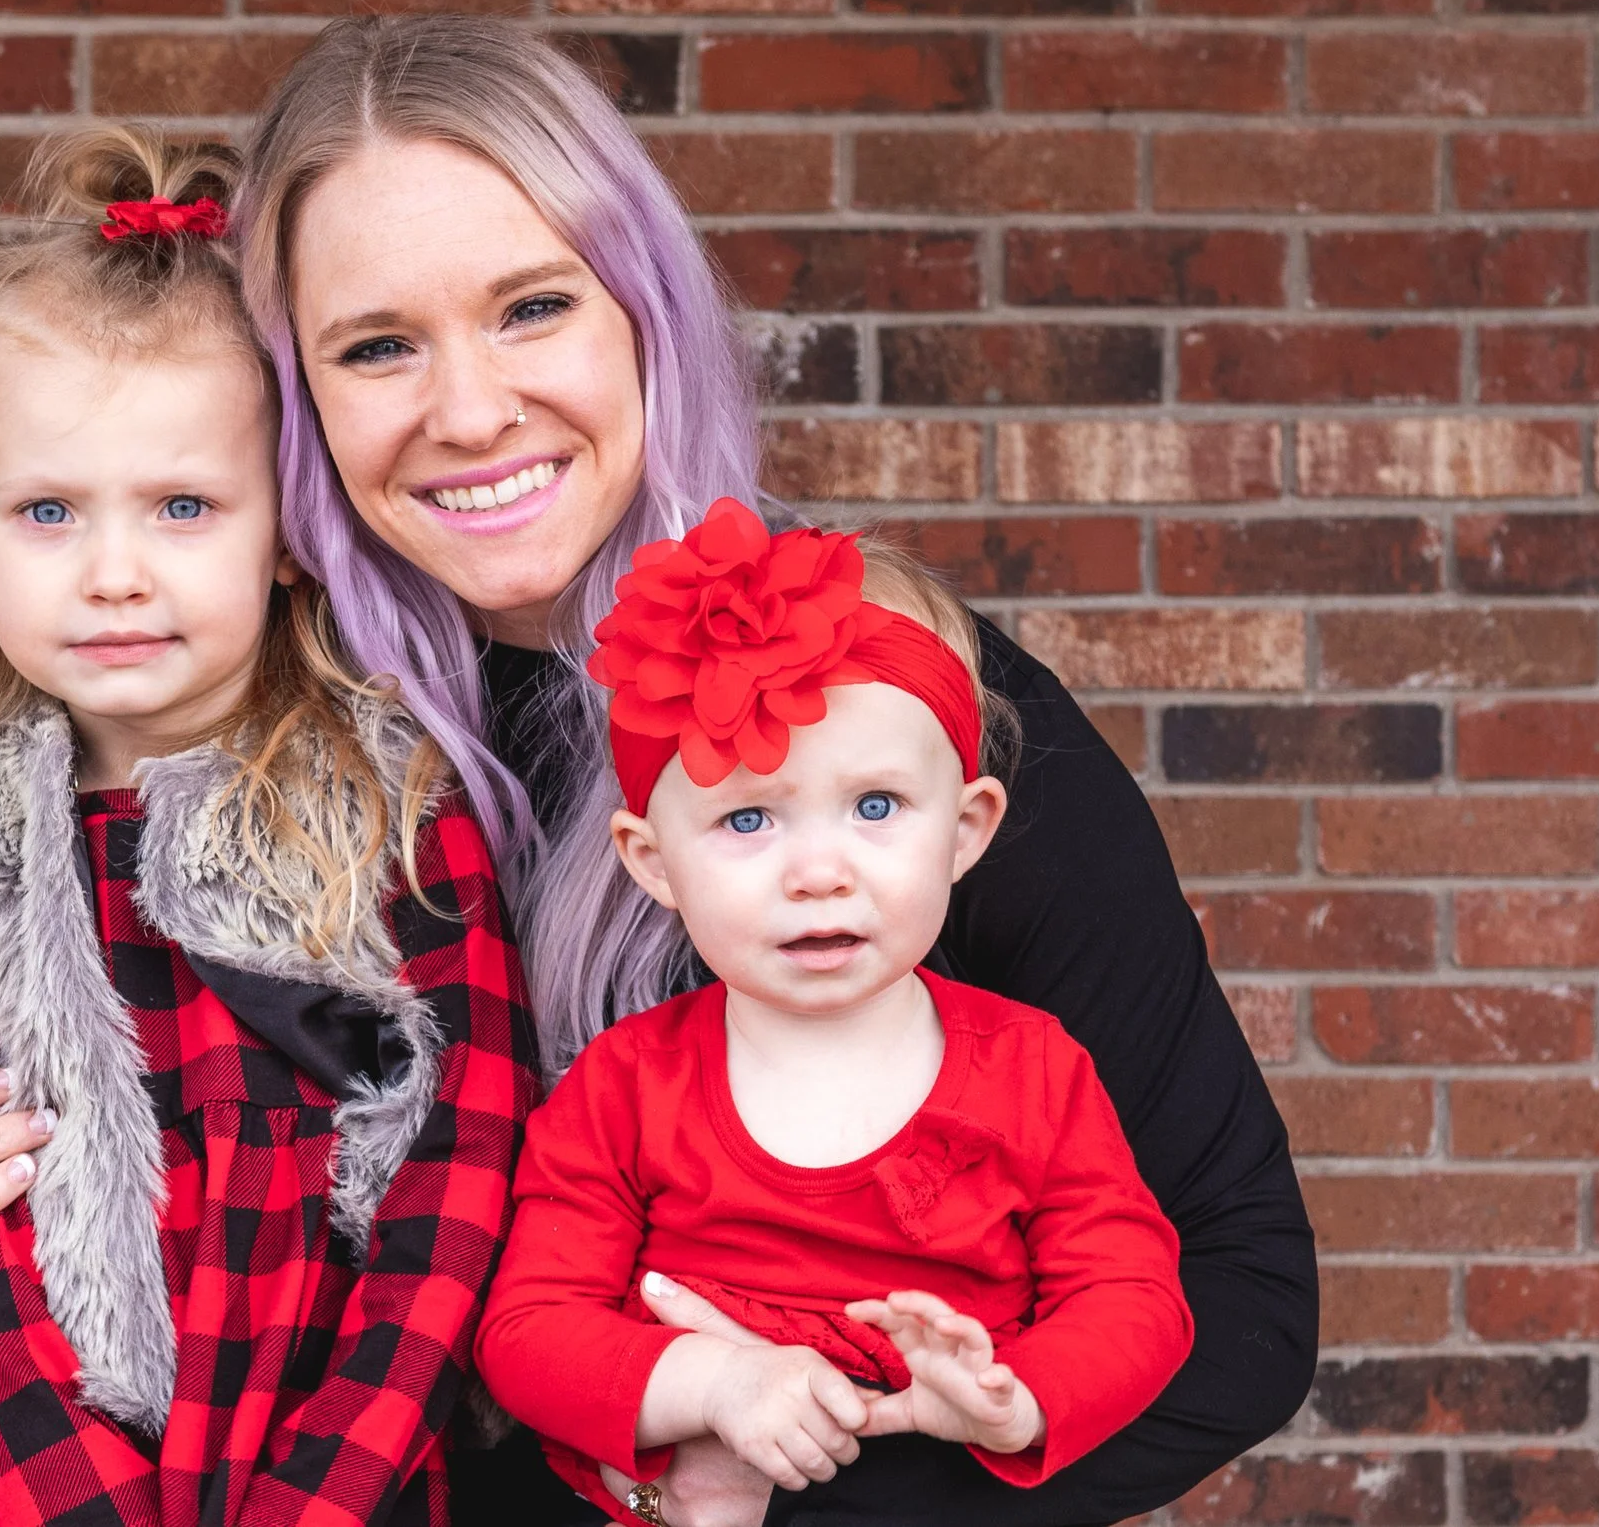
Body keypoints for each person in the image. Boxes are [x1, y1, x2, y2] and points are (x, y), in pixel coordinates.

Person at [0, 14, 1318, 1527]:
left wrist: (769, 1495)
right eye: (379, 345)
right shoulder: (272, 752)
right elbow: (161, 1241)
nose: (470, 410)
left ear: (646, 309)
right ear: (291, 405)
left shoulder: (877, 705)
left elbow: (1243, 1298)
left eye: (533, 306)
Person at [0, 124, 534, 1527]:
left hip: (332, 1470)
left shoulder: (394, 814)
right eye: (47, 510)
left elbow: (455, 1188)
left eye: (183, 505)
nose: (114, 572)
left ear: (289, 531)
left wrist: (318, 1503)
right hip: (25, 1484)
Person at [476, 503, 1191, 1523]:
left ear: (965, 828)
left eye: (874, 806)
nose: (818, 871)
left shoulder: (1031, 1069)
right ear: (653, 860)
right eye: (748, 817)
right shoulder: (626, 1085)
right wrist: (711, 1384)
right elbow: (528, 1331)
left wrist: (1016, 1400)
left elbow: (1133, 1296)